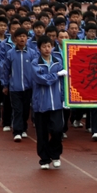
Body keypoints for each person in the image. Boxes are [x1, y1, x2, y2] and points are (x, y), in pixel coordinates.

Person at [31, 35, 67, 170]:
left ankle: (55, 155)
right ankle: (44, 159)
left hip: (56, 103)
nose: (47, 49)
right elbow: (41, 79)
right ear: (39, 48)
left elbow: (63, 82)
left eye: (49, 46)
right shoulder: (35, 63)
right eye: (44, 46)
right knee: (42, 133)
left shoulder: (58, 62)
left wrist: (64, 98)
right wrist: (56, 75)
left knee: (58, 130)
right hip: (41, 103)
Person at [1, 27, 39, 142]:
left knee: (26, 110)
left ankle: (24, 128)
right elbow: (6, 70)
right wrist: (5, 85)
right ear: (15, 38)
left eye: (24, 36)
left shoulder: (32, 53)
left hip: (28, 87)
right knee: (17, 109)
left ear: (27, 38)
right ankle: (17, 131)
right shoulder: (10, 53)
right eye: (19, 36)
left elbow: (36, 69)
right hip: (15, 88)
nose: (22, 38)